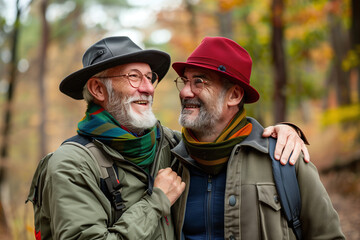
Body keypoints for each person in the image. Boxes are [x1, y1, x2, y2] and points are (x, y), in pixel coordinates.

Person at [27, 36, 309, 239]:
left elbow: (222, 133)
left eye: (151, 77)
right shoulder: (70, 165)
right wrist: (156, 201)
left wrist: (284, 131)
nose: (148, 88)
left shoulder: (172, 146)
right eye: (134, 77)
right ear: (98, 89)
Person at [170, 36, 345, 240]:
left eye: (198, 82)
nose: (184, 92)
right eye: (185, 81)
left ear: (234, 96)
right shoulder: (171, 160)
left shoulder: (284, 158)